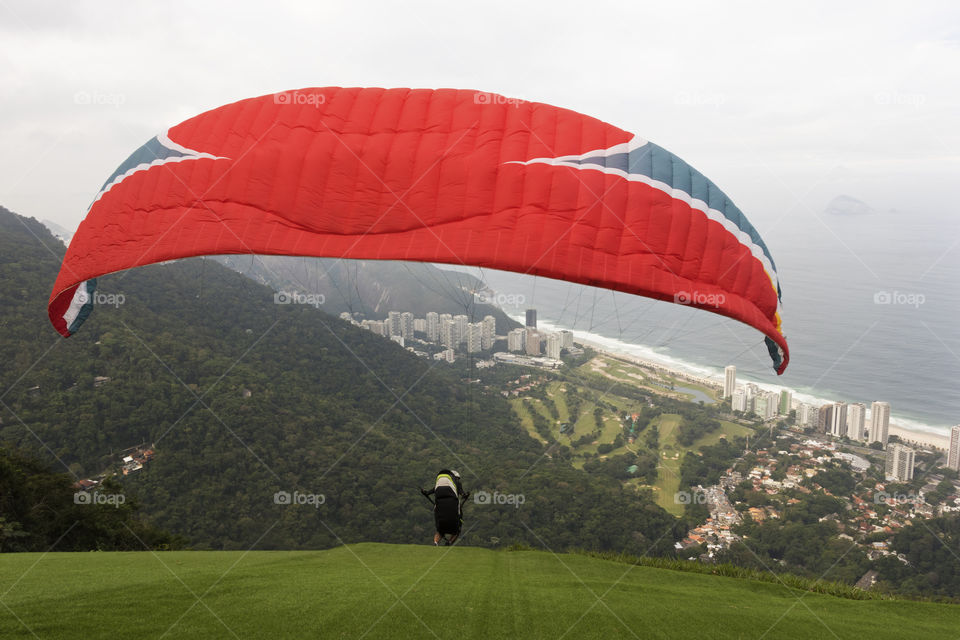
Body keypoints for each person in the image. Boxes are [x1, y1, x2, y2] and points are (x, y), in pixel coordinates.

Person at [420, 469, 469, 545]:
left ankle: (435, 542)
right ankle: (449, 542)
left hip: (440, 509)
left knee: (440, 531)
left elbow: (429, 492)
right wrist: (466, 495)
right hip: (453, 509)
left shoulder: (439, 486)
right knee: (457, 530)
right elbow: (462, 493)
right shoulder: (457, 483)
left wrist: (425, 492)